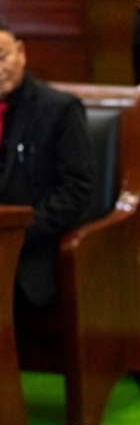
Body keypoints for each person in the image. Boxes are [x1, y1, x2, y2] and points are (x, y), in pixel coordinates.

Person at [0, 17, 93, 311]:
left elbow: (77, 190)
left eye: (2, 57)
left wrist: (17, 235)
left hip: (32, 254)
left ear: (21, 52)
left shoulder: (59, 110)